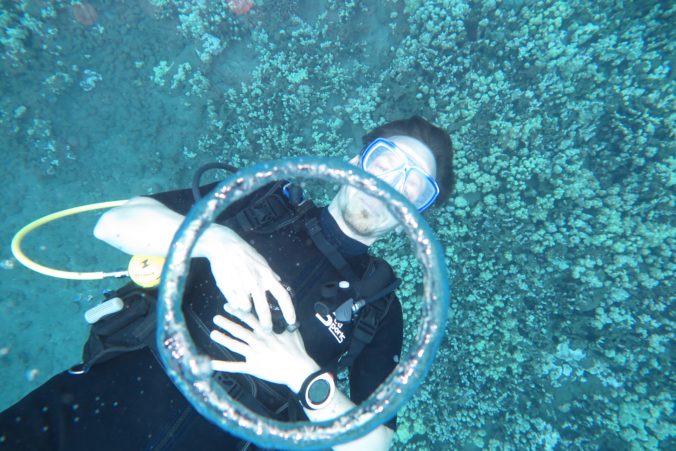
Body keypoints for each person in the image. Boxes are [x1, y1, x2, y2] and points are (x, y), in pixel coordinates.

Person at [0, 116, 454, 451]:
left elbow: (373, 444)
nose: (389, 184)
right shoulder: (259, 203)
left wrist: (303, 376)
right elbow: (115, 224)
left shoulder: (378, 309)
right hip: (89, 408)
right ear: (355, 162)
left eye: (414, 186)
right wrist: (216, 240)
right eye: (385, 161)